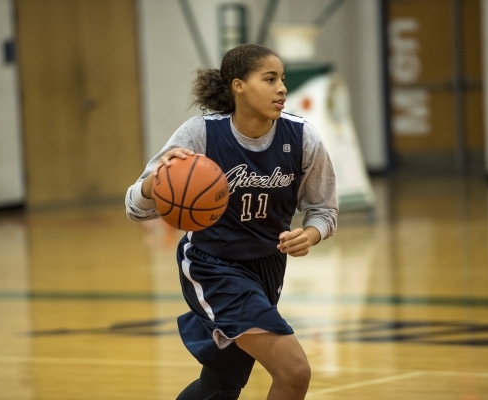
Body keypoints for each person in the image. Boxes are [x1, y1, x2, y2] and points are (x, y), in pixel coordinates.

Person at [126, 44, 337, 400]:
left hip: (267, 267)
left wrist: (311, 235)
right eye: (269, 79)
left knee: (221, 385)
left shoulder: (303, 138)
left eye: (282, 79)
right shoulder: (200, 135)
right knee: (294, 370)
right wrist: (158, 180)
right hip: (213, 265)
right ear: (238, 85)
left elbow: (324, 210)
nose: (282, 88)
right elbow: (136, 207)